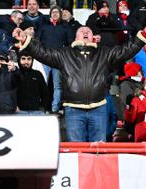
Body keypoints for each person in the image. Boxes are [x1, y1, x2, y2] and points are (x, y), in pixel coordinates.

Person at [12, 24, 146, 142]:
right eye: (82, 31)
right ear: (76, 38)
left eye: (88, 31)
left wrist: (142, 35)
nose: (86, 32)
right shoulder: (64, 54)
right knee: (77, 152)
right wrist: (26, 39)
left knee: (98, 152)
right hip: (73, 110)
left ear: (94, 37)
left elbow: (127, 50)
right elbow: (42, 53)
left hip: (98, 109)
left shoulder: (105, 53)